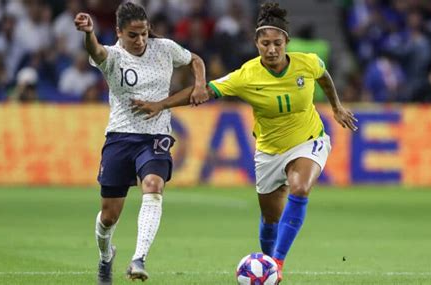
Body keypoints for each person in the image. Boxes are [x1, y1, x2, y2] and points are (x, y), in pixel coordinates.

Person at [130, 3, 358, 283]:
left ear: (286, 41)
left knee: (300, 187)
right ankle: (269, 269)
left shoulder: (307, 62)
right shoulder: (246, 76)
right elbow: (205, 90)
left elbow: (324, 76)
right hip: (269, 151)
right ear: (256, 43)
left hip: (309, 140)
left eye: (277, 43)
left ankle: (277, 263)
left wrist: (336, 107)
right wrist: (162, 104)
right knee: (270, 220)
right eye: (265, 43)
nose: (272, 49)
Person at [74, 2, 207, 284]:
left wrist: (199, 84)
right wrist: (88, 33)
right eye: (133, 35)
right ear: (119, 32)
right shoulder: (112, 56)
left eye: (144, 33)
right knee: (109, 216)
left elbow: (195, 59)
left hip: (156, 136)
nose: (140, 40)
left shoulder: (165, 48)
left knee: (154, 186)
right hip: (121, 136)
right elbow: (95, 50)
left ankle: (139, 258)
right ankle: (105, 255)